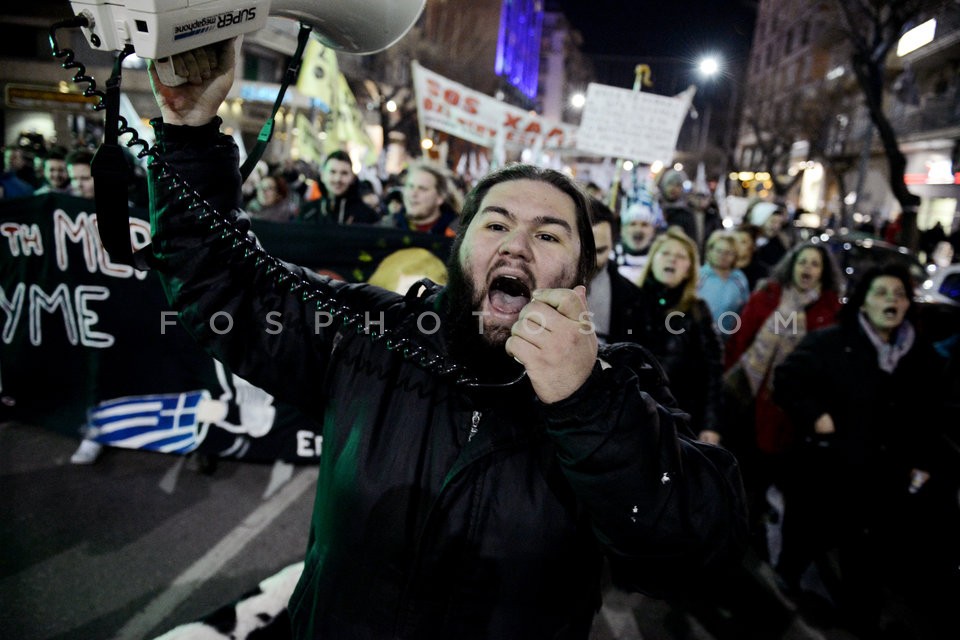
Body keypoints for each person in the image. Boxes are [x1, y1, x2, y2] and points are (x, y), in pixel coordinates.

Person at [144, 41, 747, 640]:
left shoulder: (619, 385)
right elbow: (225, 288)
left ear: (580, 276)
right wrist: (190, 135)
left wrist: (585, 401)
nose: (515, 246)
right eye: (496, 223)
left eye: (548, 235)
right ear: (458, 249)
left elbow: (695, 546)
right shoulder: (372, 331)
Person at [773, 264, 954, 637]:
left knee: (866, 551)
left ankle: (860, 617)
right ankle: (787, 579)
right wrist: (816, 416)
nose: (891, 301)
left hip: (884, 475)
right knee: (809, 533)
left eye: (899, 295)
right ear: (863, 301)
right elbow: (787, 379)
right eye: (881, 293)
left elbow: (931, 415)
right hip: (829, 467)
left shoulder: (921, 356)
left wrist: (923, 462)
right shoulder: (830, 342)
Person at [723, 241, 843, 559]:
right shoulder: (768, 296)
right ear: (791, 265)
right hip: (751, 397)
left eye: (814, 264)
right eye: (802, 262)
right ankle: (741, 534)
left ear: (823, 272)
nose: (807, 269)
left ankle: (773, 541)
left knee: (783, 477)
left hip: (793, 410)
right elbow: (741, 339)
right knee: (745, 470)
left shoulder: (829, 309)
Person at [632, 226, 725, 446]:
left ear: (689, 269)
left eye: (681, 256)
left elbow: (713, 371)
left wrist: (711, 424)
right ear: (653, 260)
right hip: (632, 416)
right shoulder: (630, 301)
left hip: (679, 419)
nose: (672, 260)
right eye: (665, 253)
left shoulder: (697, 311)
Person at [300, 150, 379, 224]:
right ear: (322, 175)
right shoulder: (308, 213)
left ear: (352, 178)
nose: (337, 179)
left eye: (344, 173)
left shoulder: (367, 216)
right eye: (332, 172)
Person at [697, 230, 750, 339]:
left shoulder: (740, 278)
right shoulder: (699, 275)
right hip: (698, 335)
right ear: (710, 251)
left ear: (735, 255)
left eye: (728, 253)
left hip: (727, 338)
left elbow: (745, 309)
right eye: (719, 251)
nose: (723, 256)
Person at [384, 161, 459, 236]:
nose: (413, 194)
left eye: (422, 189)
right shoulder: (386, 228)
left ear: (440, 197)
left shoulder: (458, 234)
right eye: (410, 186)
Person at [613, 200, 659, 283]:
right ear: (622, 230)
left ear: (653, 231)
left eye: (644, 224)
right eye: (633, 224)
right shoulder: (610, 257)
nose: (638, 229)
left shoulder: (659, 258)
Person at [657, 168, 697, 243]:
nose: (673, 188)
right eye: (670, 183)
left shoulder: (686, 214)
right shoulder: (655, 209)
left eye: (678, 185)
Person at [731, 224, 767, 292]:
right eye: (734, 241)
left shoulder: (761, 273)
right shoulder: (725, 266)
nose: (736, 245)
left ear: (754, 246)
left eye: (743, 242)